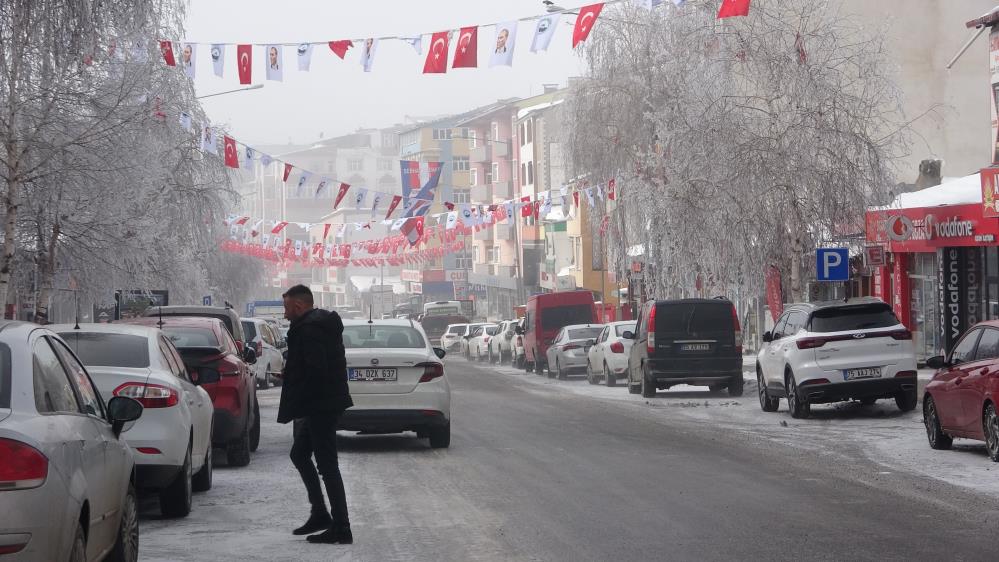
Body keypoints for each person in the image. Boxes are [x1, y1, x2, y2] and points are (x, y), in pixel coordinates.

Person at [277, 285, 354, 544]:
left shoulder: (309, 330)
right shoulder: (316, 325)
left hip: (320, 405)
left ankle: (341, 527)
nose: (285, 315)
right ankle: (320, 513)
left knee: (327, 465)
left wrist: (300, 394)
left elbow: (316, 370)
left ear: (298, 306)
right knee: (299, 454)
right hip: (323, 402)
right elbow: (313, 366)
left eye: (287, 308)